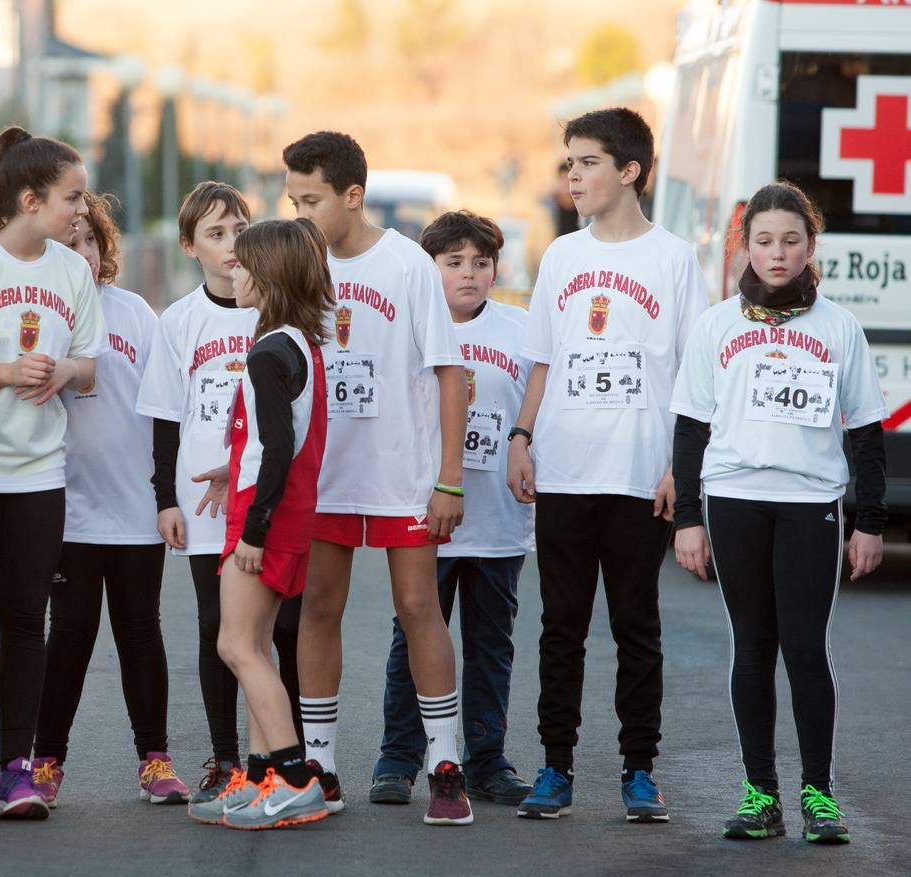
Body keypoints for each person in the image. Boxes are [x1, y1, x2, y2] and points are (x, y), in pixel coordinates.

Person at [506, 108, 708, 822]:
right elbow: (541, 359)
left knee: (636, 628)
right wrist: (521, 437)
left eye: (585, 162)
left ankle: (638, 771)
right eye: (566, 163)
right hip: (563, 469)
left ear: (628, 171)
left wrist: (681, 469)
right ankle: (553, 768)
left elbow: (694, 376)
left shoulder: (674, 259)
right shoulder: (561, 257)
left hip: (637, 474)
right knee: (560, 626)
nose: (571, 176)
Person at [670, 181, 886, 845]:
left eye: (790, 240)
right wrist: (687, 517)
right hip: (732, 498)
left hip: (808, 504)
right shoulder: (715, 325)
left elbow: (866, 432)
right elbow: (689, 426)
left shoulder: (838, 327)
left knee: (803, 647)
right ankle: (758, 793)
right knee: (752, 645)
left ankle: (819, 795)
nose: (776, 252)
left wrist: (869, 520)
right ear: (744, 245)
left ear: (809, 246)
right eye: (763, 240)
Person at [284, 131, 471, 826]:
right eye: (292, 199)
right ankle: (322, 765)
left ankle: (444, 764)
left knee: (419, 607)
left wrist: (448, 480)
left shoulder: (405, 265)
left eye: (312, 199)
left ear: (351, 195)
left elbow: (449, 375)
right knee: (319, 608)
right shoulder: (297, 264)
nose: (300, 213)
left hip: (399, 472)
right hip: (325, 475)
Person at [0, 126, 105, 821]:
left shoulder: (72, 271)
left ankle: (17, 767)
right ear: (30, 199)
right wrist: (3, 373)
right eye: (72, 197)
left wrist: (65, 368)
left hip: (40, 472)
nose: (82, 210)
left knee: (25, 620)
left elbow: (90, 368)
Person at [135, 182, 303, 804]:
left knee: (282, 625)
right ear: (190, 247)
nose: (232, 245)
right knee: (218, 627)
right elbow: (164, 418)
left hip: (265, 495)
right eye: (215, 234)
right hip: (201, 500)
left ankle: (292, 755)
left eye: (239, 228)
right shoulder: (179, 321)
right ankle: (226, 757)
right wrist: (165, 499)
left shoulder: (278, 318)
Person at [369, 212, 535, 808]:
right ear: (428, 268)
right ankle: (398, 758)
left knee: (491, 645)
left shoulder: (520, 329)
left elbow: (535, 413)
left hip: (496, 523)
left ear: (496, 268)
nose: (469, 274)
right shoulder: (411, 327)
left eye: (481, 262)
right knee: (411, 638)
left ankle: (486, 759)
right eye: (453, 262)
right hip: (425, 517)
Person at [32, 192, 189, 806]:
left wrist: (165, 494)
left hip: (135, 508)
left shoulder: (135, 316)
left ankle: (155, 759)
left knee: (139, 630)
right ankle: (45, 762)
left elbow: (165, 415)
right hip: (66, 508)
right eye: (69, 246)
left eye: (90, 243)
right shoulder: (41, 316)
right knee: (68, 631)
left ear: (105, 250)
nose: (83, 255)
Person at [185, 218, 335, 830]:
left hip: (266, 517)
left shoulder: (270, 350)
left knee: (236, 645)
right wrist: (233, 464)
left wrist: (254, 531)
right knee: (255, 648)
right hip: (276, 510)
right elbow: (279, 440)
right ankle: (258, 774)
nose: (232, 269)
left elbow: (279, 451)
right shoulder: (294, 340)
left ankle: (298, 780)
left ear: (268, 274)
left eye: (243, 262)